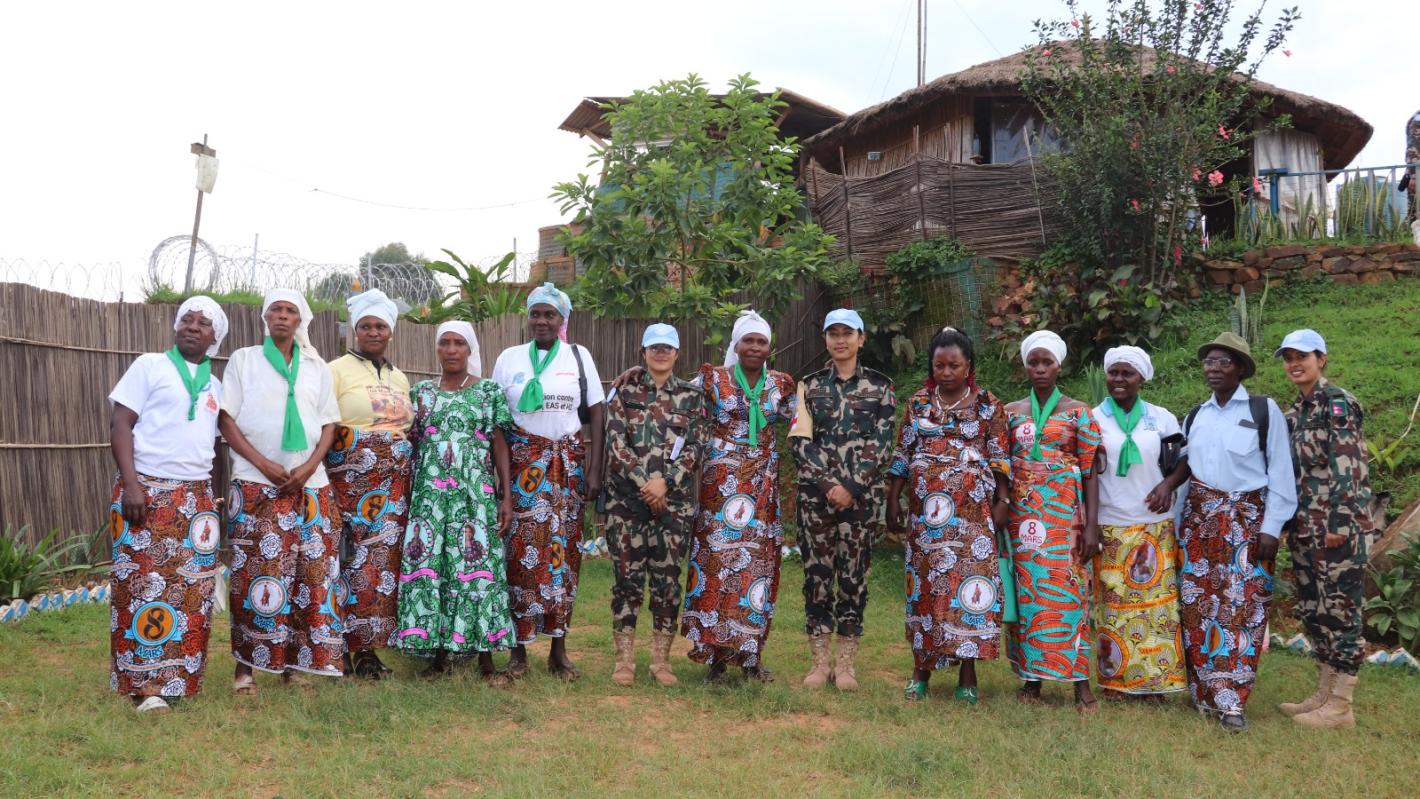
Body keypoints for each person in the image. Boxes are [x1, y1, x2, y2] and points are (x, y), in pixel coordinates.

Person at [1154, 331, 1296, 732]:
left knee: (1242, 609)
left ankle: (1233, 699)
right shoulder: (1195, 416)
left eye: (1223, 362)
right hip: (1198, 527)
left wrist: (1272, 528)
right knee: (1198, 608)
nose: (1213, 369)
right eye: (1209, 362)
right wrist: (1176, 526)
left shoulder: (1263, 410)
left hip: (1247, 525)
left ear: (1241, 369)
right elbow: (1189, 475)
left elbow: (1281, 471)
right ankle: (1205, 692)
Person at [107, 296, 229, 713]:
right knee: (141, 587)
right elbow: (121, 424)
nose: (192, 327)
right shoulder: (149, 366)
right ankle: (143, 686)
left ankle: (177, 679)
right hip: (146, 490)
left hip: (196, 498)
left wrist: (214, 499)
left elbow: (216, 447)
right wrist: (131, 484)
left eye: (203, 323)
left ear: (215, 337)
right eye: (186, 319)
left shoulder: (215, 386)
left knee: (191, 591)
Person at [219, 290, 343, 694]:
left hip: (311, 486)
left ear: (300, 320)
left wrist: (308, 468)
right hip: (257, 483)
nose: (283, 316)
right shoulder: (244, 360)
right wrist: (264, 463)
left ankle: (295, 665)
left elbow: (329, 423)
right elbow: (226, 418)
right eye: (276, 309)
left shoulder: (316, 366)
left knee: (309, 577)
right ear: (265, 317)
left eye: (290, 311)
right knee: (256, 575)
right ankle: (246, 668)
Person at [886, 327, 1010, 703]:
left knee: (968, 589)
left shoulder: (988, 404)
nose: (946, 372)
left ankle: (967, 675)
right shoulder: (919, 402)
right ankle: (920, 671)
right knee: (926, 589)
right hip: (926, 517)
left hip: (972, 515)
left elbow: (1000, 456)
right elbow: (903, 454)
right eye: (939, 365)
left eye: (954, 365)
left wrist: (1002, 501)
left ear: (968, 365)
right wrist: (893, 499)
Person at [491, 283, 605, 680]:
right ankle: (518, 651)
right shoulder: (509, 358)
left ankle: (559, 649)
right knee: (519, 558)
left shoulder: (578, 357)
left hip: (566, 472)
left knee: (564, 557)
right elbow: (496, 420)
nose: (542, 321)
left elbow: (597, 413)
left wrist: (594, 470)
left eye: (549, 314)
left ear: (562, 320)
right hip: (522, 471)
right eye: (536, 314)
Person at [394, 321, 516, 683]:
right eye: (444, 343)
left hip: (474, 496)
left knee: (477, 569)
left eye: (458, 343)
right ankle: (439, 657)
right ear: (436, 349)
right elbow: (411, 445)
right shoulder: (421, 394)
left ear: (470, 349)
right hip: (430, 498)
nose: (450, 350)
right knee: (436, 568)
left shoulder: (488, 391)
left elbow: (499, 445)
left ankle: (486, 660)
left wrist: (506, 497)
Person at [681, 310, 797, 683]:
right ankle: (714, 657)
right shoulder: (713, 379)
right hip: (720, 489)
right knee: (716, 565)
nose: (755, 347)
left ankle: (750, 655)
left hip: (762, 490)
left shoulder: (781, 385)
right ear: (736, 343)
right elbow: (676, 403)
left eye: (762, 341)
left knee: (756, 568)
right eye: (748, 340)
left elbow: (805, 422)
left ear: (769, 347)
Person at [791, 308, 896, 691]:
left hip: (860, 502)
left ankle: (847, 665)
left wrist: (850, 487)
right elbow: (800, 442)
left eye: (847, 333)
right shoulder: (809, 386)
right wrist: (827, 485)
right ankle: (820, 663)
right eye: (833, 333)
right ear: (825, 339)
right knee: (817, 578)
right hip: (815, 501)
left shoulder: (881, 387)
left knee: (853, 579)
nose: (840, 340)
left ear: (861, 338)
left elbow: (882, 445)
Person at [1276, 329, 1377, 729]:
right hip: (1306, 526)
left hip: (1337, 527)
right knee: (1315, 611)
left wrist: (1340, 522)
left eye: (1302, 356)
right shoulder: (1296, 411)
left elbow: (1348, 465)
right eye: (1288, 358)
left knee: (1341, 610)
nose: (1294, 364)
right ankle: (1323, 692)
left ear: (1321, 359)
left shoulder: (1337, 404)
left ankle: (1341, 704)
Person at [602, 323, 705, 687]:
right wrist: (645, 483)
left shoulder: (692, 396)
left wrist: (666, 482)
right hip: (627, 503)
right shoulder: (623, 391)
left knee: (667, 583)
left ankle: (661, 661)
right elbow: (615, 443)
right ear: (643, 352)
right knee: (626, 581)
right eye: (654, 347)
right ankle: (624, 661)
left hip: (673, 506)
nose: (661, 353)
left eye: (667, 348)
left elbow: (695, 446)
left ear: (677, 353)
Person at [1005, 330, 1102, 713]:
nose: (1040, 369)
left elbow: (1090, 472)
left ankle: (1080, 684)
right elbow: (1001, 467)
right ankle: (1032, 679)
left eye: (1047, 362)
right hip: (1023, 520)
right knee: (1029, 597)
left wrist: (1091, 526)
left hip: (1065, 521)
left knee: (1071, 597)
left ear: (1059, 366)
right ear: (1025, 366)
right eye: (1034, 362)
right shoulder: (1011, 412)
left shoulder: (1078, 412)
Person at [325, 288, 413, 679]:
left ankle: (368, 651)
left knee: (379, 566)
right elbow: (325, 425)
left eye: (380, 326)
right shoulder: (336, 370)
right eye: (366, 326)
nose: (373, 332)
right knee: (345, 561)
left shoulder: (399, 377)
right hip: (348, 482)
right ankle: (337, 650)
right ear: (354, 330)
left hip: (392, 488)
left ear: (390, 332)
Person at [1090, 346, 1187, 701]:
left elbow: (1184, 460)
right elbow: (1086, 473)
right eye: (1113, 372)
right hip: (1111, 524)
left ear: (1141, 378)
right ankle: (1116, 682)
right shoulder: (1093, 419)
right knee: (1114, 607)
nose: (1119, 379)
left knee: (1156, 608)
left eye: (1127, 373)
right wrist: (1089, 524)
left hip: (1154, 525)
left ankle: (1154, 682)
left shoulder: (1161, 418)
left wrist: (1167, 485)